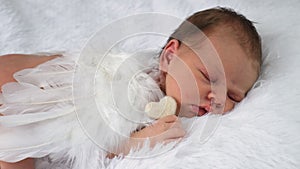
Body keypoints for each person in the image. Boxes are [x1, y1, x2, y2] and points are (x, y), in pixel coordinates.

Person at [0, 7, 261, 169]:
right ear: (169, 57)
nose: (216, 97)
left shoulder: (162, 98)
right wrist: (128, 145)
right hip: (10, 92)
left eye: (232, 95)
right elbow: (79, 136)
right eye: (207, 76)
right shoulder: (133, 84)